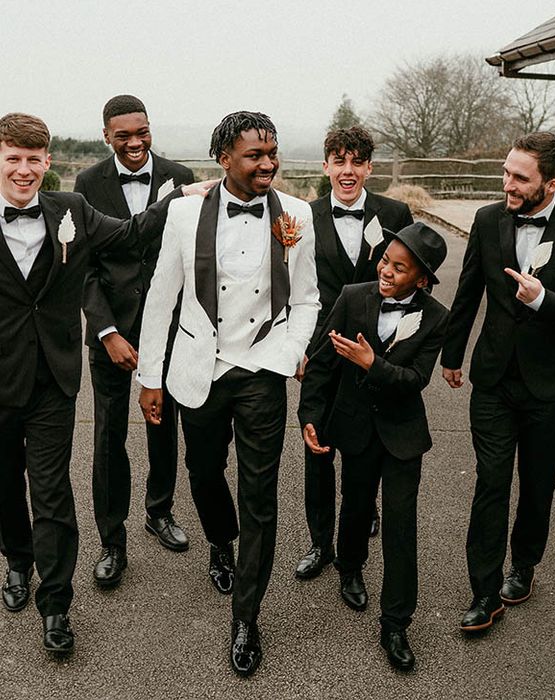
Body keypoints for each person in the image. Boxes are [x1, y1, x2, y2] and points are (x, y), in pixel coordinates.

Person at [0, 112, 205, 654]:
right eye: (12, 160)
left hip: (53, 380)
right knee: (4, 485)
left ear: (48, 163)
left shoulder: (72, 209)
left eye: (33, 160)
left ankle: (56, 603)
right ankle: (17, 562)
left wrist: (183, 199)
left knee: (51, 491)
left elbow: (134, 234)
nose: (24, 170)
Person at [137, 111, 319, 677]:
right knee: (204, 472)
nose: (267, 165)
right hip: (200, 366)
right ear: (224, 159)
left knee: (260, 493)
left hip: (263, 368)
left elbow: (308, 297)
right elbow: (161, 294)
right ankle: (221, 540)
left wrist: (288, 352)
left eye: (272, 153)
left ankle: (247, 614)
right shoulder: (185, 213)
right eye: (253, 155)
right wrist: (150, 376)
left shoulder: (297, 214)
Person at [440, 132, 555, 632]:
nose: (507, 184)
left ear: (550, 184)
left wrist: (543, 301)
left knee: (537, 486)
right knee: (491, 482)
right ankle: (484, 593)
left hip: (551, 386)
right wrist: (452, 354)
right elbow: (468, 289)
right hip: (493, 378)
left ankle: (525, 564)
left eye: (519, 178)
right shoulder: (488, 219)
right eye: (505, 173)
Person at [299, 222, 448, 671]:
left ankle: (396, 622)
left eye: (399, 269)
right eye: (385, 260)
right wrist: (309, 418)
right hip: (355, 426)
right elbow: (322, 364)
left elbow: (415, 380)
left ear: (421, 279)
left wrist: (372, 363)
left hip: (403, 435)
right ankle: (349, 568)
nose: (386, 271)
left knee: (401, 525)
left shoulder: (436, 316)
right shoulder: (352, 296)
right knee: (356, 505)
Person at [75, 95, 195, 587]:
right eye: (123, 135)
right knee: (109, 435)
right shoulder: (85, 185)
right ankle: (111, 540)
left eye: (141, 131)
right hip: (111, 333)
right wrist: (107, 333)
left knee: (163, 423)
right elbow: (82, 270)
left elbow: (193, 255)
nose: (135, 142)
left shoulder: (181, 178)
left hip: (167, 329)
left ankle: (159, 510)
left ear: (150, 128)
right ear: (106, 135)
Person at [295, 126, 413, 581]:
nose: (348, 171)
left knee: (368, 446)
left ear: (369, 167)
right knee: (318, 447)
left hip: (376, 352)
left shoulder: (396, 213)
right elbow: (293, 289)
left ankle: (361, 522)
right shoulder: (303, 217)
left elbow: (409, 285)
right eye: (338, 161)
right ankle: (320, 541)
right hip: (322, 352)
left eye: (356, 162)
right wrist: (300, 349)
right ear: (325, 166)